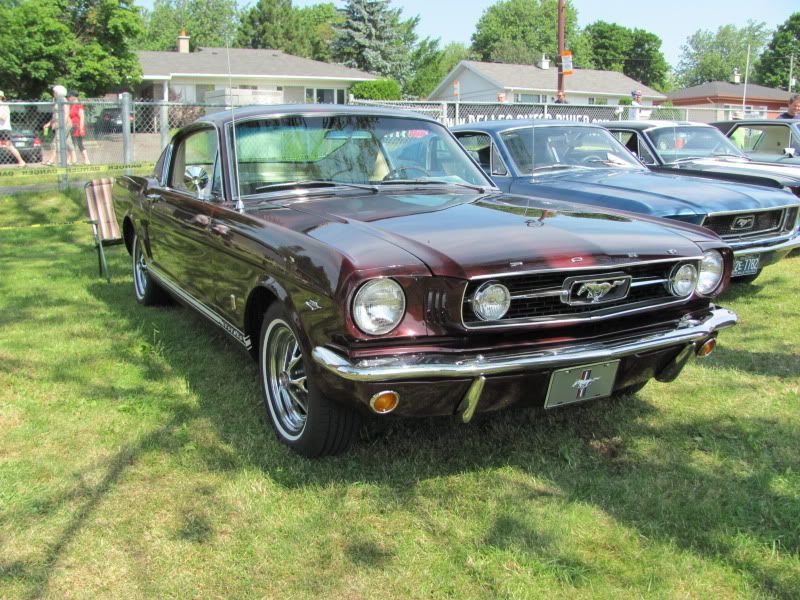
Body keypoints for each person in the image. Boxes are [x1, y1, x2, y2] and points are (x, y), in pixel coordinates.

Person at [42, 84, 75, 165]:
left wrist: (62, 124)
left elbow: (66, 113)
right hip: (58, 123)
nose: (53, 93)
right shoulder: (56, 101)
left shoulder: (63, 100)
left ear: (58, 92)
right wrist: (48, 124)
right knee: (68, 142)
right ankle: (73, 160)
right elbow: (55, 115)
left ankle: (51, 160)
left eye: (54, 92)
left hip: (65, 123)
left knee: (56, 141)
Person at [0, 90, 26, 166]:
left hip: (4, 129)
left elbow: (3, 117)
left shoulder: (4, 106)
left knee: (9, 146)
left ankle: (21, 161)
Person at [67, 90, 90, 164]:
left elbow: (82, 117)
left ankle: (86, 160)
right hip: (71, 126)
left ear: (73, 97)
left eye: (69, 96)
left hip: (77, 126)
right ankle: (70, 160)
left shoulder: (79, 105)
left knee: (79, 143)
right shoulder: (70, 105)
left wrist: (81, 128)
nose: (68, 98)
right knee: (71, 144)